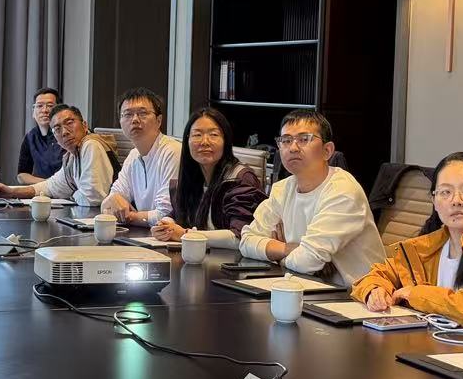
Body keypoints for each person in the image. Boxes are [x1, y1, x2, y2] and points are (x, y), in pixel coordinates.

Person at [351, 152, 463, 326]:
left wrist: (416, 294)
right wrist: (374, 290)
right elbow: (378, 275)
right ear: (434, 201)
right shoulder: (427, 246)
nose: (456, 201)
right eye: (445, 192)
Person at [239, 109, 385, 286]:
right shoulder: (283, 189)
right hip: (306, 286)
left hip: (356, 296)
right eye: (286, 140)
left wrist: (276, 254)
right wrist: (287, 249)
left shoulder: (343, 192)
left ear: (327, 151)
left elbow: (308, 261)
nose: (293, 148)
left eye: (304, 139)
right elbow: (246, 241)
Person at [151, 106, 265, 245]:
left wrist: (185, 234)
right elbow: (178, 214)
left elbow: (241, 237)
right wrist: (165, 225)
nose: (205, 142)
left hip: (231, 258)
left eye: (214, 135)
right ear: (187, 141)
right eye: (197, 135)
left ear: (226, 140)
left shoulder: (240, 179)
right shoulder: (193, 177)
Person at [0, 105, 113, 213]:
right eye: (57, 129)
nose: (64, 132)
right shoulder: (71, 156)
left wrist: (70, 193)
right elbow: (50, 187)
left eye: (69, 123)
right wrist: (11, 192)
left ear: (85, 125)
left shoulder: (91, 145)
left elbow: (92, 199)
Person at [101, 87, 182, 226]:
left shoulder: (172, 151)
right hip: (146, 234)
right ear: (120, 122)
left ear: (159, 120)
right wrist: (113, 200)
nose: (135, 120)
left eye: (143, 113)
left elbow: (166, 214)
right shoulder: (133, 155)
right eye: (128, 114)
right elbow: (108, 205)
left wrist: (129, 216)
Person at [16, 87, 64, 184]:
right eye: (39, 106)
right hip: (42, 189)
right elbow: (22, 175)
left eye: (50, 106)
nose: (44, 110)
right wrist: (49, 184)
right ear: (33, 111)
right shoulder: (30, 137)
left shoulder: (67, 134)